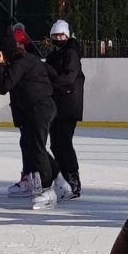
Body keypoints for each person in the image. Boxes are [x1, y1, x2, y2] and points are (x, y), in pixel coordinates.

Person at [0, 24, 60, 210]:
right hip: (38, 108)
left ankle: (48, 190)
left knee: (36, 147)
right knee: (33, 146)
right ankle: (59, 180)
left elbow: (3, 86)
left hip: (40, 108)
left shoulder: (21, 63)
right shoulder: (27, 60)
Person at [44, 19, 86, 199]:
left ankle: (73, 179)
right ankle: (63, 179)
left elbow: (68, 77)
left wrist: (50, 85)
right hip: (56, 105)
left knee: (64, 143)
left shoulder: (71, 53)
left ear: (67, 36)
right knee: (55, 144)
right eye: (55, 36)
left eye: (61, 35)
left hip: (69, 105)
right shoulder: (55, 54)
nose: (58, 38)